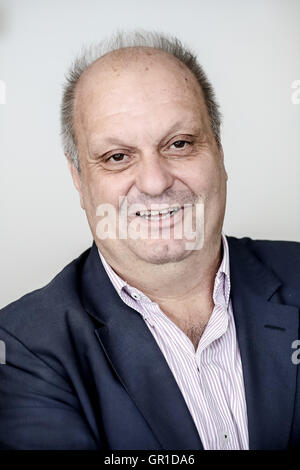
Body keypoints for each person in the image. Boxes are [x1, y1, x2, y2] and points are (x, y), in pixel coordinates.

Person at [0, 30, 300, 451]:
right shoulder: (20, 347)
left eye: (179, 144)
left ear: (219, 151)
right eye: (117, 157)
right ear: (78, 179)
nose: (156, 182)